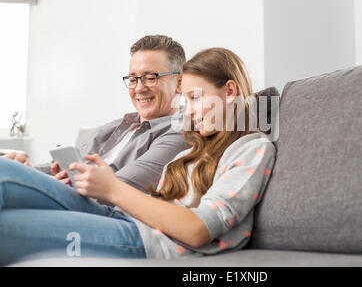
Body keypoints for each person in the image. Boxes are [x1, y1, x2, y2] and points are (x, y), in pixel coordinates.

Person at [0, 47, 276, 264]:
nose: (188, 112)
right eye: (187, 101)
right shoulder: (194, 150)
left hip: (145, 241)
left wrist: (113, 189)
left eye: (196, 97)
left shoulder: (252, 147)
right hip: (118, 216)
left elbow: (198, 229)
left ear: (229, 91)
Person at [4, 34, 190, 197]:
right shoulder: (120, 125)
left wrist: (36, 181)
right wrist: (26, 170)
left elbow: (118, 189)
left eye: (151, 77)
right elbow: (61, 168)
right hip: (70, 196)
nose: (139, 88)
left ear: (180, 83)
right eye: (133, 79)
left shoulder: (179, 132)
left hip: (99, 211)